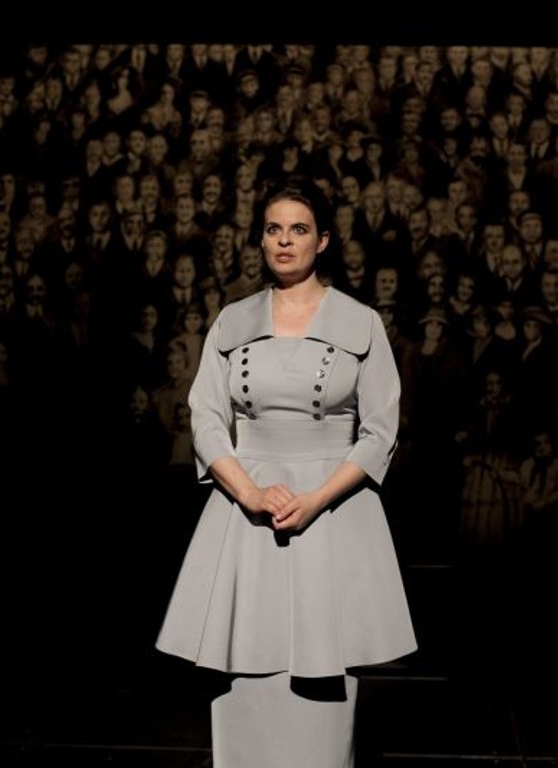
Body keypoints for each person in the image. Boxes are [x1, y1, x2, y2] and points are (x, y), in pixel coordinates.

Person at [156, 176, 416, 767]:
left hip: (332, 515)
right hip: (245, 515)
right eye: (273, 229)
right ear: (261, 238)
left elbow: (380, 431)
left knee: (323, 676)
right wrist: (249, 492)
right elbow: (206, 418)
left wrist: (317, 499)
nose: (284, 241)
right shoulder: (232, 322)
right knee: (246, 671)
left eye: (298, 229)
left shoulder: (360, 322)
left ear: (322, 240)